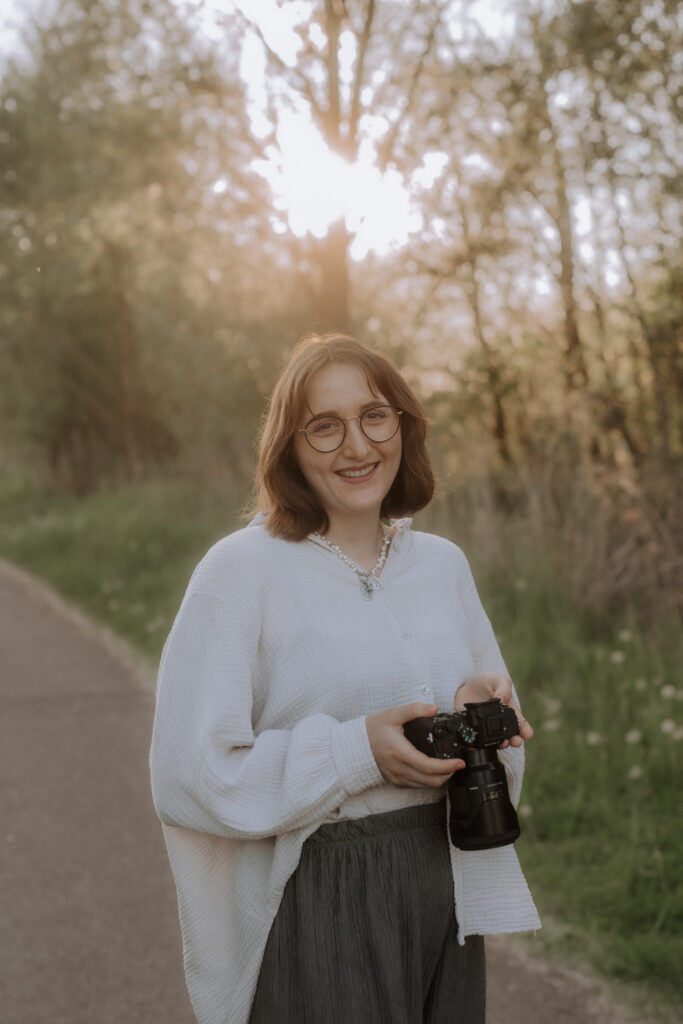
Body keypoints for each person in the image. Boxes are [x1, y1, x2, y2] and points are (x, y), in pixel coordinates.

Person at [150, 333, 540, 1024]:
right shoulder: (239, 572)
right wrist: (357, 751)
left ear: (403, 425)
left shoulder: (442, 564)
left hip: (446, 881)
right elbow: (191, 771)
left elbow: (497, 743)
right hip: (321, 889)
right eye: (324, 427)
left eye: (373, 416)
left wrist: (481, 722)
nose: (356, 447)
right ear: (289, 447)